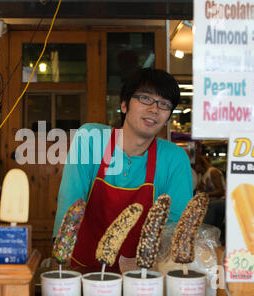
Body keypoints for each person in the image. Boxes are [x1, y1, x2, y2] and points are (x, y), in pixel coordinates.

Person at [53, 68, 193, 273]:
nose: (154, 109)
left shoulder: (174, 158)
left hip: (143, 276)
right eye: (145, 98)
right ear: (124, 105)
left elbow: (176, 225)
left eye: (164, 104)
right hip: (82, 270)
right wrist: (61, 259)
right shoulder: (90, 139)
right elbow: (70, 200)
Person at [194, 153, 226, 244]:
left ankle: (206, 234)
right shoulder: (201, 175)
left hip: (223, 201)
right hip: (213, 201)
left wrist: (205, 194)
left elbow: (220, 191)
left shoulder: (213, 172)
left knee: (211, 207)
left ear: (199, 165)